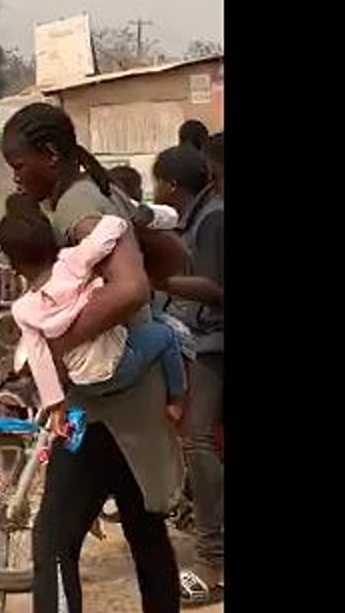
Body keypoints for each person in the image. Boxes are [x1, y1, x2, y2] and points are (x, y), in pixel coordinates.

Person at [0, 101, 193, 613]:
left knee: (53, 540)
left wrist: (58, 344)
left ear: (50, 153)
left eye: (20, 166)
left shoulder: (77, 206)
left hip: (102, 402)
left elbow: (129, 288)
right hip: (133, 399)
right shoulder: (102, 191)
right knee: (145, 531)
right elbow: (172, 258)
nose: (16, 179)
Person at [0, 199, 185, 425]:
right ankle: (176, 400)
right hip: (120, 367)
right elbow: (110, 229)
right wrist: (118, 216)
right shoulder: (71, 263)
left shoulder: (23, 309)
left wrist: (56, 408)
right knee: (166, 334)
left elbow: (40, 361)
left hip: (83, 383)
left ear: (13, 264)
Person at [151, 145, 224, 605]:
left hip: (216, 342)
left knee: (196, 438)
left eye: (158, 181)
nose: (156, 188)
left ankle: (213, 561)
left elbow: (217, 290)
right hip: (201, 336)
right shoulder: (198, 217)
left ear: (172, 186)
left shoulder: (213, 218)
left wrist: (157, 282)